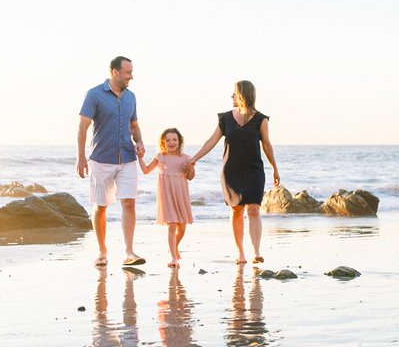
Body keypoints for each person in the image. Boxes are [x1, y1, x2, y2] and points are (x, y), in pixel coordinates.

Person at [189, 80, 279, 264]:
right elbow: (211, 141)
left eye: (234, 93)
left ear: (243, 95)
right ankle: (240, 252)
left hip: (254, 170)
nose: (231, 96)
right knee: (236, 210)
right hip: (231, 171)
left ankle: (256, 252)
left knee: (254, 209)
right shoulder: (225, 118)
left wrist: (275, 169)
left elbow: (267, 146)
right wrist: (194, 159)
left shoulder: (261, 120)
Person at [76, 56, 146, 267]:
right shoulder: (94, 94)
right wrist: (81, 157)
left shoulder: (131, 97)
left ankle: (129, 252)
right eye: (127, 72)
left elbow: (134, 126)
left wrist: (140, 141)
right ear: (115, 72)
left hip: (127, 158)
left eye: (131, 72)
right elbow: (82, 127)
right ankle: (102, 251)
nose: (131, 76)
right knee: (101, 206)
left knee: (129, 203)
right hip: (101, 159)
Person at [139, 127, 194, 268]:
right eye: (168, 140)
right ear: (163, 142)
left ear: (179, 141)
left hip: (181, 194)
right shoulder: (160, 157)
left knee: (182, 227)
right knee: (172, 225)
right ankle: (173, 257)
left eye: (174, 139)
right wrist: (140, 157)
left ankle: (174, 247)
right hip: (167, 195)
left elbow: (190, 177)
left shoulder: (185, 158)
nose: (171, 142)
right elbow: (146, 171)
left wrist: (192, 168)